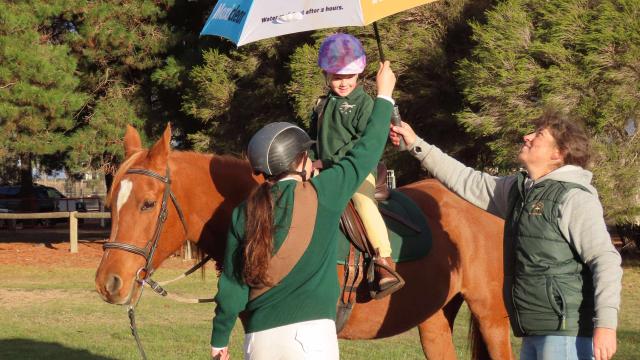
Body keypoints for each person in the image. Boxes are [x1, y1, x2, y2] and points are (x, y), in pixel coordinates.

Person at [389, 111, 622, 360]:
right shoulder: (519, 191)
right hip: (533, 330)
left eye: (539, 135)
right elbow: (465, 179)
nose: (527, 136)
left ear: (558, 154)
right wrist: (416, 144)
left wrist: (606, 326)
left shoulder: (574, 197)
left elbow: (605, 260)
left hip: (566, 334)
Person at [209, 61, 396, 360]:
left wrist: (219, 340)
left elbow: (232, 285)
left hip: (258, 341)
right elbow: (366, 152)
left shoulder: (244, 212)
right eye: (307, 154)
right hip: (311, 340)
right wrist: (385, 96)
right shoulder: (325, 193)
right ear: (300, 162)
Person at [310, 33, 400, 293]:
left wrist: (328, 162)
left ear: (359, 74)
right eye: (336, 76)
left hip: (358, 170)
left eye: (348, 76)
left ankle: (383, 259)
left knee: (362, 200)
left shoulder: (364, 103)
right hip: (324, 170)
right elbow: (312, 138)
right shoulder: (321, 105)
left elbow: (365, 143)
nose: (342, 82)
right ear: (326, 75)